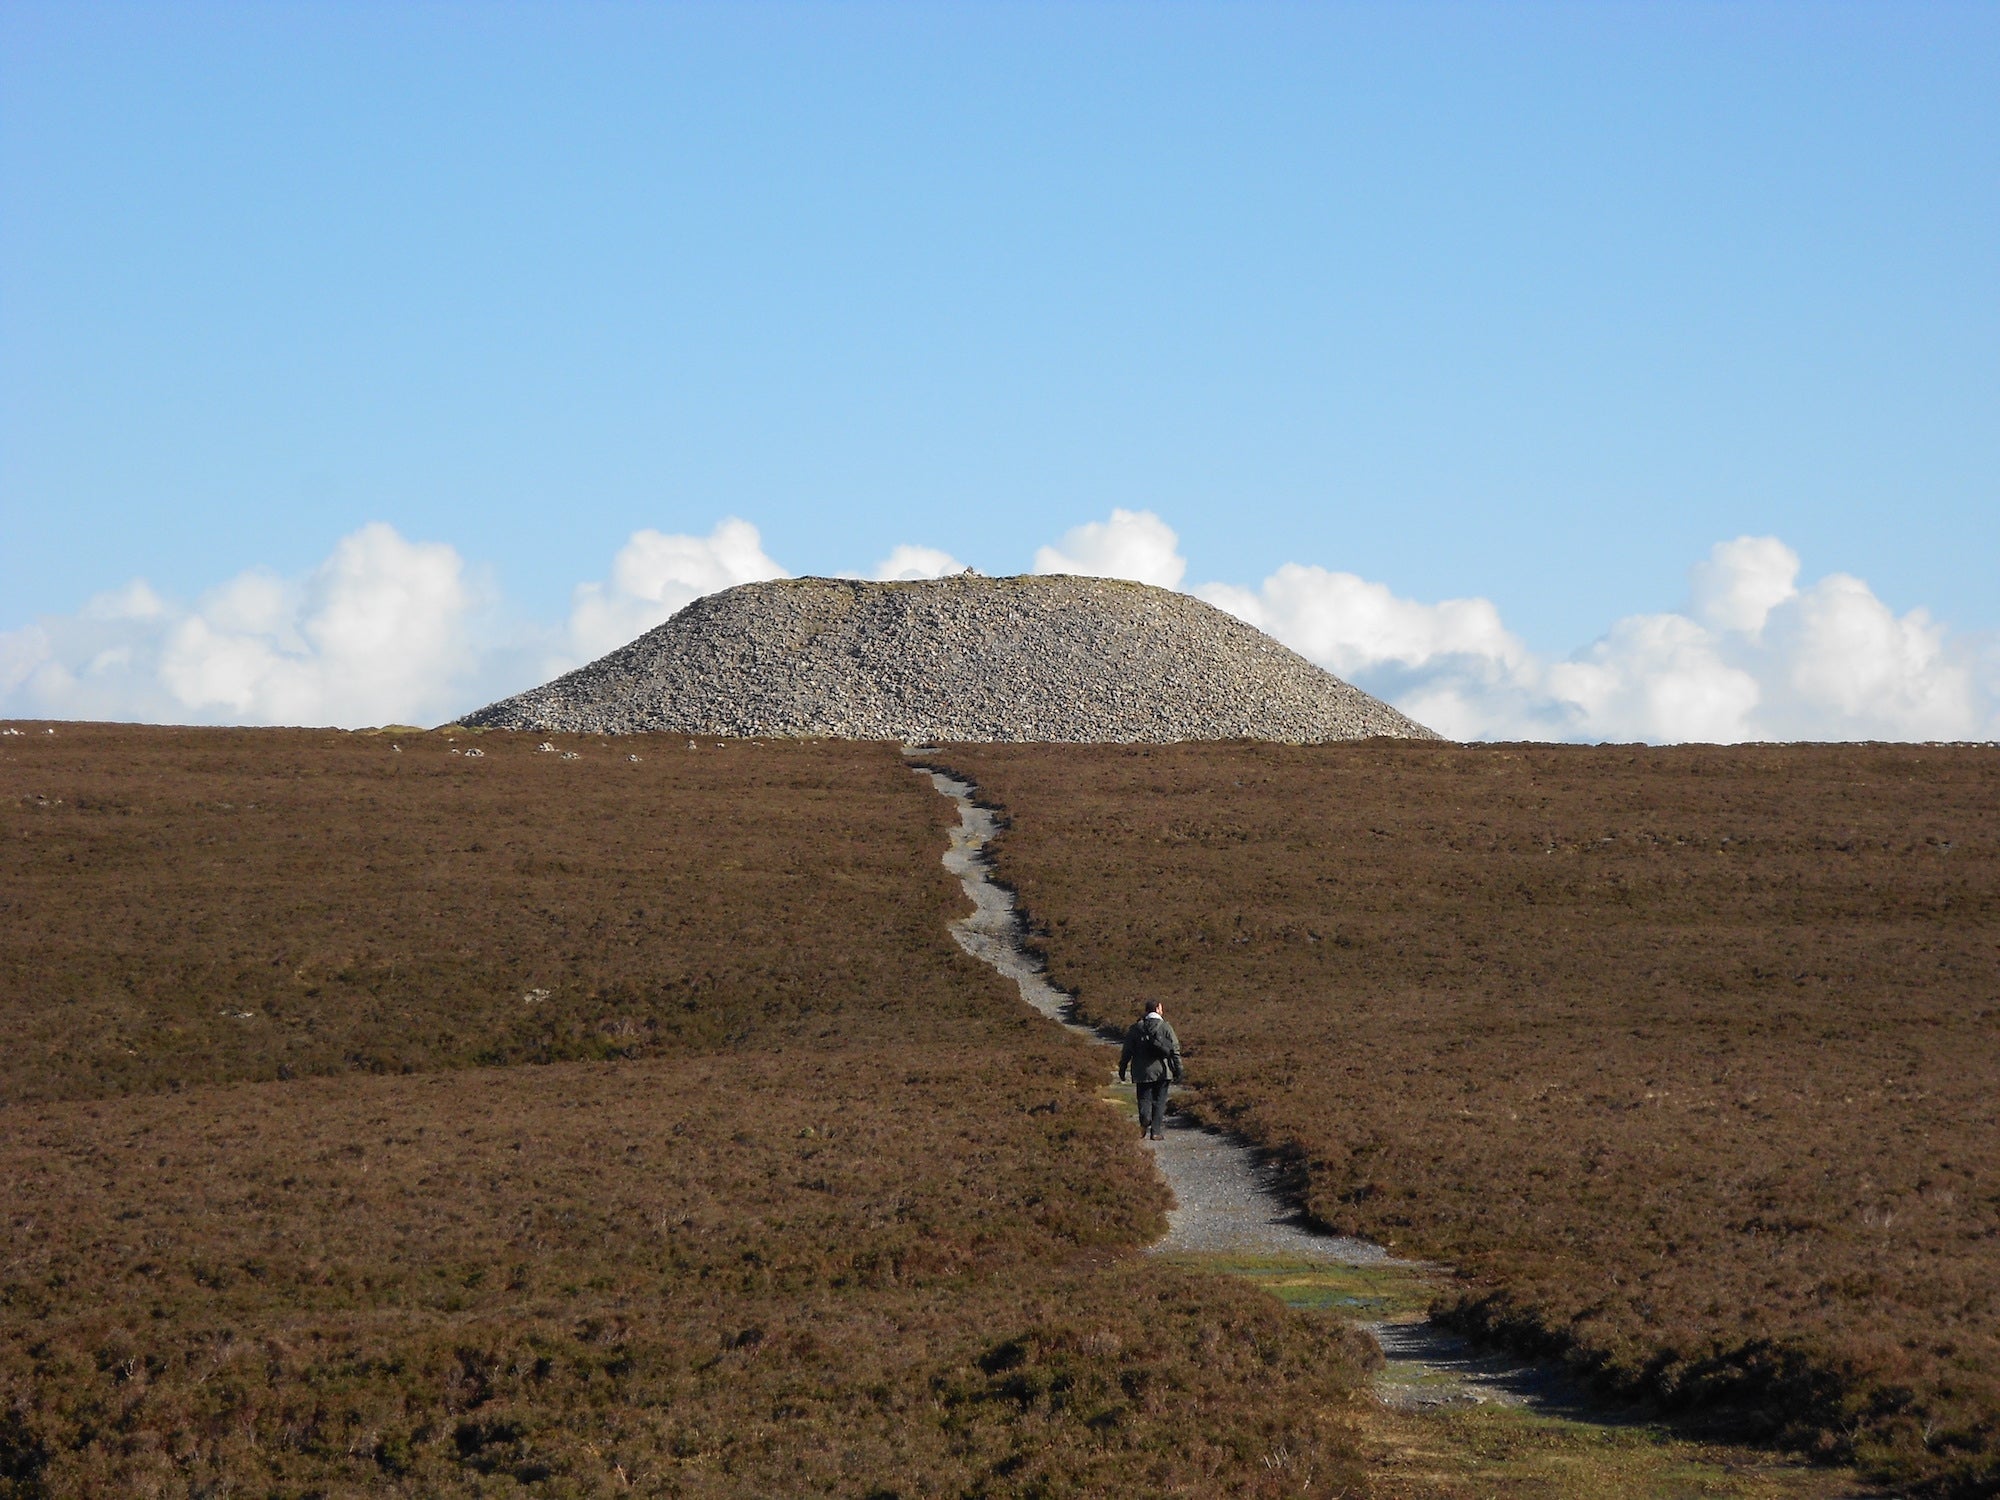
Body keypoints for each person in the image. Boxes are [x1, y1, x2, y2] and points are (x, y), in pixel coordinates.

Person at [1118, 998, 1183, 1141]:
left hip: (1142, 1072)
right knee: (1160, 1101)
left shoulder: (1135, 1029)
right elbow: (1175, 1050)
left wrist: (1122, 1068)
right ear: (1158, 1009)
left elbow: (1127, 1051)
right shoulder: (1166, 1027)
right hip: (1163, 1071)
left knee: (1143, 1098)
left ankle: (1144, 1119)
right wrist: (1178, 1069)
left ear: (1146, 1010)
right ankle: (1156, 1132)